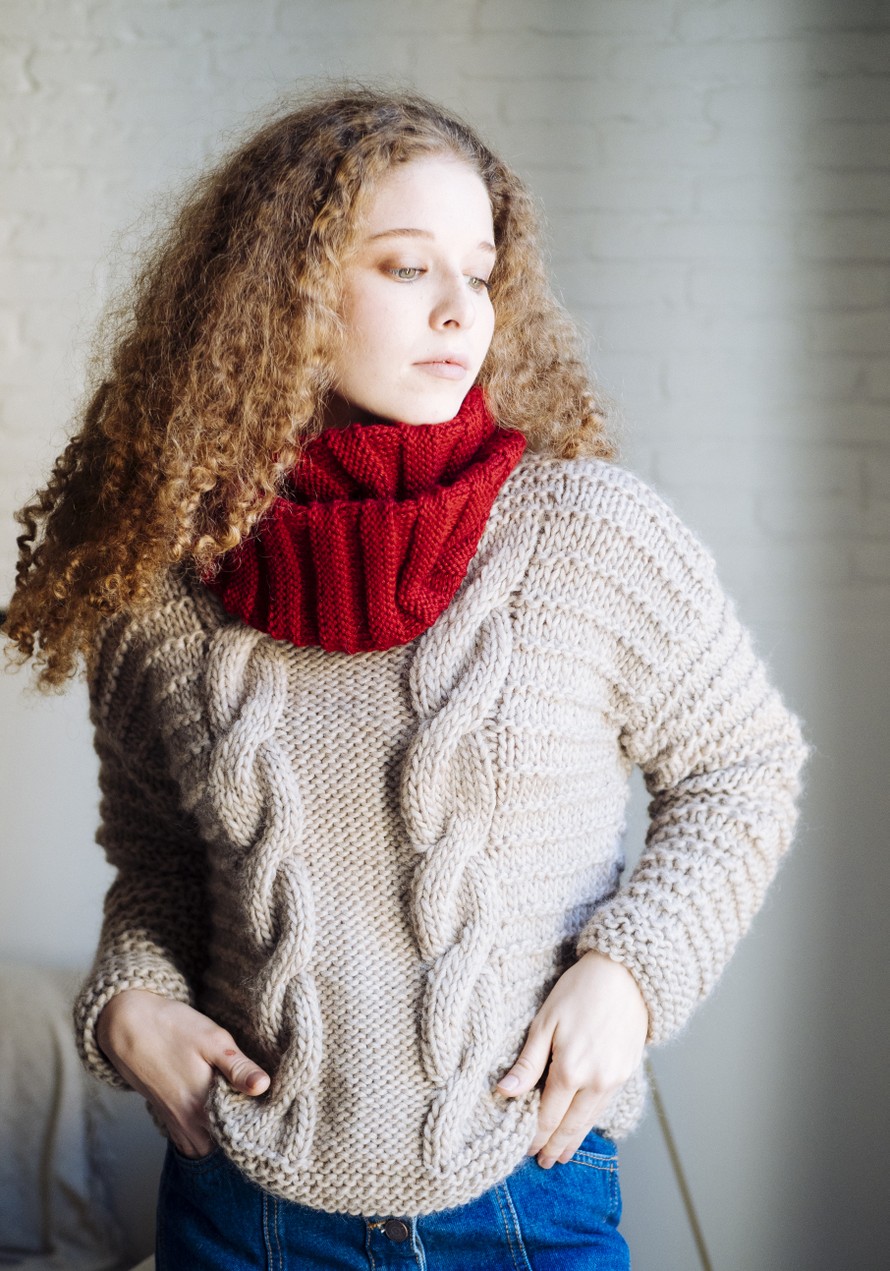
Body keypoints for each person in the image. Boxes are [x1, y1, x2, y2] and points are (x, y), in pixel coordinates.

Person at [3, 87, 808, 1270]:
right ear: (282, 294)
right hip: (241, 1206)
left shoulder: (589, 535)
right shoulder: (161, 594)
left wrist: (630, 975)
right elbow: (162, 867)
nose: (456, 309)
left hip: (525, 1195)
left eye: (477, 273)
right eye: (403, 266)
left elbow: (744, 767)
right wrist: (129, 999)